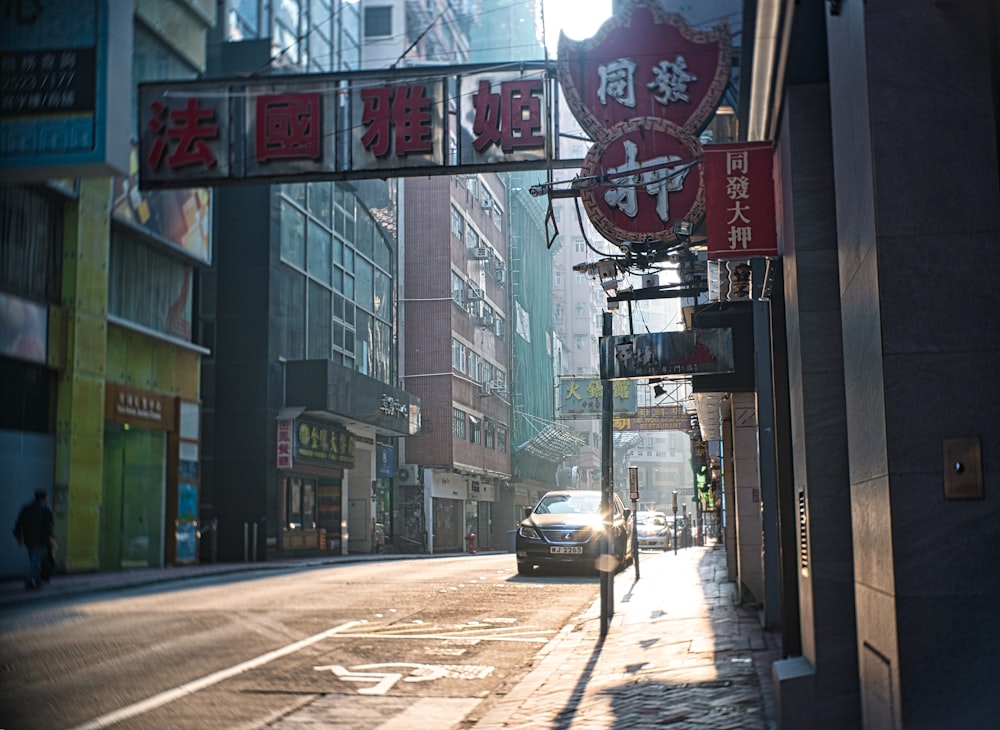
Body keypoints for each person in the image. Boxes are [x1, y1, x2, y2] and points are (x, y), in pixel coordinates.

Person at [13, 489, 55, 590]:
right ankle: (29, 578)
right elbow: (48, 526)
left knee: (34, 559)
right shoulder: (44, 509)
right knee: (36, 561)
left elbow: (18, 523)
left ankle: (35, 580)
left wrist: (19, 537)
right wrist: (50, 537)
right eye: (47, 498)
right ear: (44, 498)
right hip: (41, 540)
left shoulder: (26, 508)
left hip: (29, 540)